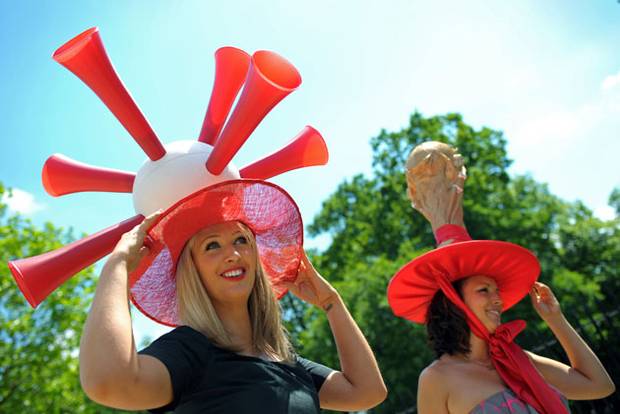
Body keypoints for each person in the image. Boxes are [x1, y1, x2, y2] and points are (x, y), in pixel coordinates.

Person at [79, 180, 387, 413]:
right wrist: (117, 266)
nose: (234, 254)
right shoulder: (190, 351)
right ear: (192, 270)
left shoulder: (285, 361)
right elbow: (108, 381)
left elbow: (367, 391)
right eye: (212, 246)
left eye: (241, 240)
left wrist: (331, 301)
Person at [388, 142, 615, 414]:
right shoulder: (436, 379)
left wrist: (556, 319)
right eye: (484, 290)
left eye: (496, 290)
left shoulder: (521, 361)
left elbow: (599, 385)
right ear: (453, 300)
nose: (498, 299)